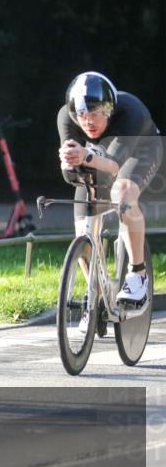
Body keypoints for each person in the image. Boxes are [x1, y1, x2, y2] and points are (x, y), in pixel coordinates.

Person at [57, 71, 162, 309]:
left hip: (140, 151)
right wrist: (69, 161)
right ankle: (95, 294)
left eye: (94, 114)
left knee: (123, 192)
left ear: (109, 110)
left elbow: (114, 165)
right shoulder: (66, 116)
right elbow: (70, 172)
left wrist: (84, 156)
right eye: (82, 115)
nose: (88, 122)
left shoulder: (131, 111)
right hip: (97, 156)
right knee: (82, 228)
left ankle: (137, 274)